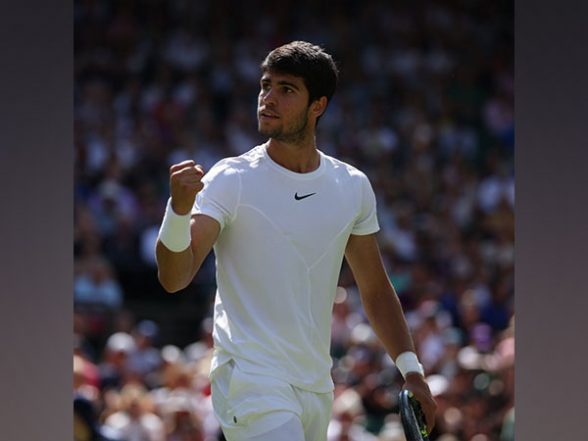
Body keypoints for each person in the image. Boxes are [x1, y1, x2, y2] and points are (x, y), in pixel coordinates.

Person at [155, 41, 436, 441]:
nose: (268, 99)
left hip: (316, 388)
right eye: (265, 86)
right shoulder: (230, 178)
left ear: (317, 105)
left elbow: (375, 288)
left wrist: (412, 371)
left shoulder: (352, 186)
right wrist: (178, 212)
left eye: (286, 90)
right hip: (250, 380)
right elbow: (174, 277)